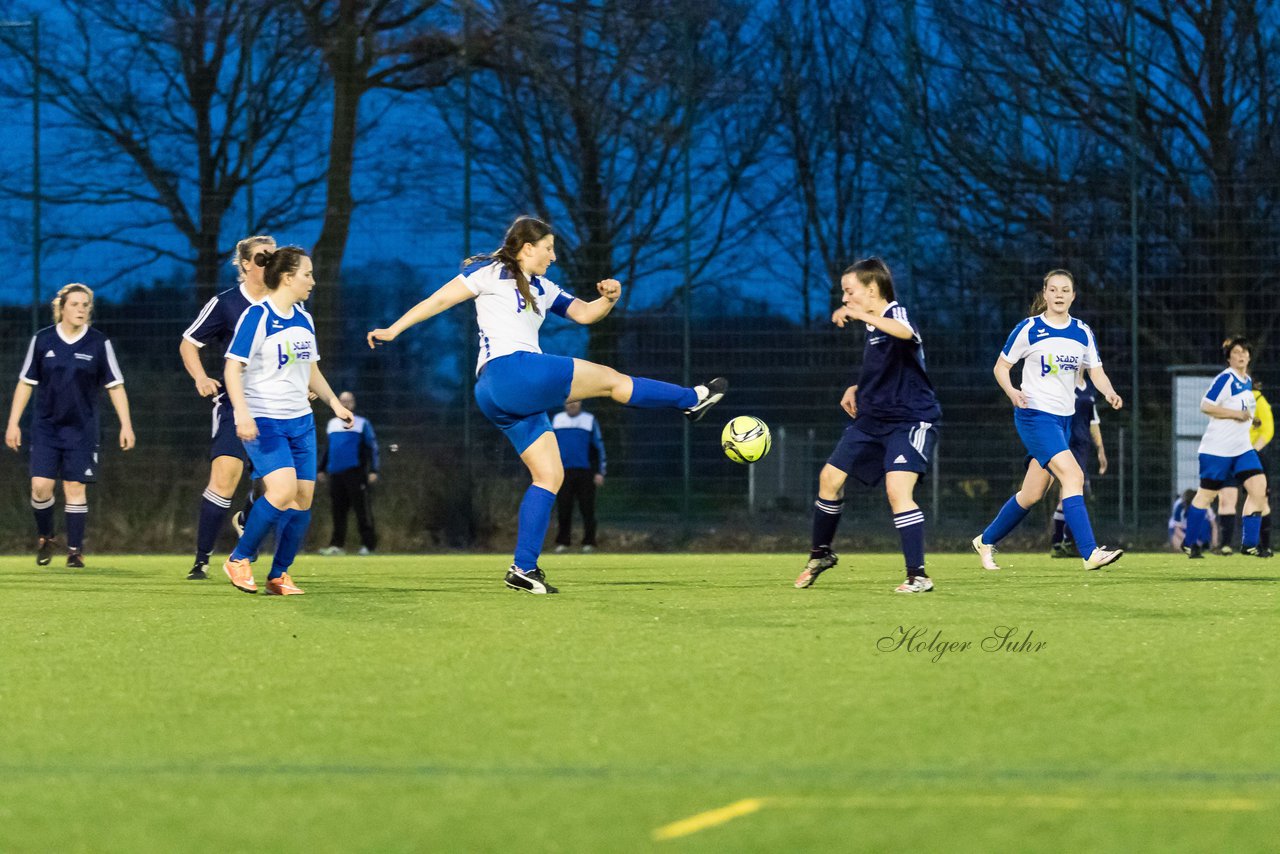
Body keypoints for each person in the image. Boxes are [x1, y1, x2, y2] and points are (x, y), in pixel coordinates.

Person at [367, 215, 725, 594]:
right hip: (513, 373)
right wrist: (394, 329)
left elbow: (585, 314)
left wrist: (608, 299)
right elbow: (438, 300)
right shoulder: (490, 274)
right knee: (611, 379)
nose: (553, 256)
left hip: (496, 393)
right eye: (548, 248)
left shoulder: (542, 287)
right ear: (526, 248)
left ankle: (523, 569)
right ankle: (692, 399)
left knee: (550, 476)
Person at [793, 257, 941, 594]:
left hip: (909, 421)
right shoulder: (874, 327)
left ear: (872, 290)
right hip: (872, 419)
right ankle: (820, 553)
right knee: (829, 479)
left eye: (850, 292)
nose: (845, 299)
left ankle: (918, 575)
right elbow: (890, 367)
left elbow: (906, 333)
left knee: (897, 491)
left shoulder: (894, 314)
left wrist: (862, 314)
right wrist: (858, 387)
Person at [971, 269, 1124, 571]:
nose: (1059, 295)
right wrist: (1012, 392)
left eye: (1065, 290)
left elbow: (1096, 371)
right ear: (1044, 294)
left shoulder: (1082, 332)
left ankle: (985, 540)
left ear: (1073, 295)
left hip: (1063, 421)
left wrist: (1109, 391)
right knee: (1074, 476)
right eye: (1053, 290)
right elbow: (1001, 368)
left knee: (1032, 494)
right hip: (1034, 416)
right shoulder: (1029, 329)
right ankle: (1090, 553)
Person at [221, 246, 353, 595]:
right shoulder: (258, 316)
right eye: (307, 274)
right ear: (288, 276)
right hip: (265, 419)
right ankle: (238, 558)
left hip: (301, 422)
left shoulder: (304, 318)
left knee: (303, 500)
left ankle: (278, 575)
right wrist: (242, 412)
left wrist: (334, 404)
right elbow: (233, 368)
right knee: (281, 491)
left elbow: (311, 370)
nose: (312, 280)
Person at [5, 283, 135, 567]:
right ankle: (46, 537)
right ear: (61, 308)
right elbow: (26, 383)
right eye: (75, 304)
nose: (81, 309)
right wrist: (13, 423)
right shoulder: (42, 340)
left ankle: (74, 551)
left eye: (85, 305)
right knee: (40, 487)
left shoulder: (99, 343)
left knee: (75, 486)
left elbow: (116, 386)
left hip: (82, 429)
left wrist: (127, 424)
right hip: (46, 427)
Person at [179, 235, 275, 580]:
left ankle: (247, 519)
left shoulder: (289, 305)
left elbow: (298, 352)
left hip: (277, 409)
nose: (271, 264)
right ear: (246, 264)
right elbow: (188, 344)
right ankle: (201, 560)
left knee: (274, 488)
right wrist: (201, 377)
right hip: (236, 405)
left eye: (274, 258)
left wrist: (304, 385)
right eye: (263, 258)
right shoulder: (226, 303)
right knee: (224, 477)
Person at [1181, 337, 1270, 558]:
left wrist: (1250, 420)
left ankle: (1249, 544)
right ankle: (1189, 542)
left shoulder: (1247, 381)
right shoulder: (1225, 379)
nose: (1241, 355)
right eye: (1236, 352)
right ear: (1229, 357)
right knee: (1206, 496)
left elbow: (1243, 411)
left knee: (1259, 487)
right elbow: (1206, 405)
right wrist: (1235, 414)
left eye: (1244, 352)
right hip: (1217, 450)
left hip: (1241, 449)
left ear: (1249, 355)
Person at [1050, 375, 1108, 557]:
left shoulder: (1089, 388)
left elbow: (1093, 421)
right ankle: (1063, 540)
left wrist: (1101, 449)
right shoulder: (1063, 383)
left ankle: (1061, 540)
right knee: (1070, 491)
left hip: (1083, 447)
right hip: (1066, 443)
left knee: (1073, 492)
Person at [318, 390, 380, 556]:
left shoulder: (361, 423)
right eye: (342, 400)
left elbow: (372, 447)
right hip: (335, 474)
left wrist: (373, 469)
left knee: (362, 510)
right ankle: (337, 545)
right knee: (337, 510)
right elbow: (328, 449)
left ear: (353, 403)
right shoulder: (332, 424)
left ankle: (368, 545)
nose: (345, 403)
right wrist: (321, 468)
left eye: (348, 401)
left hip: (355, 472)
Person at [552, 400, 606, 553]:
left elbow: (598, 447)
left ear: (581, 403)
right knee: (563, 508)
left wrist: (600, 472)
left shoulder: (589, 420)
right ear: (564, 404)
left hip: (585, 472)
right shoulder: (557, 420)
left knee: (587, 509)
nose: (572, 405)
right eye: (569, 402)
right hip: (563, 472)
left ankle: (589, 542)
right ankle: (563, 542)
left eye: (575, 402)